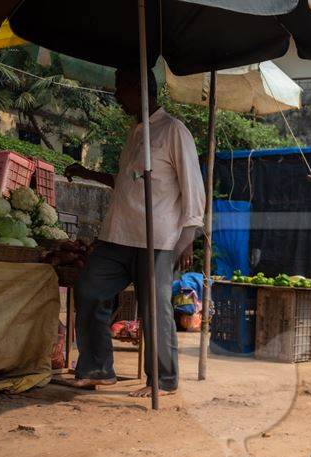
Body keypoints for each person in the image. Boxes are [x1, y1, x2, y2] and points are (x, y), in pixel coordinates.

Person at [65, 66, 205, 396]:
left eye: (120, 88)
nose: (116, 95)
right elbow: (127, 184)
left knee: (156, 309)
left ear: (140, 89)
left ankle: (163, 380)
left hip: (157, 240)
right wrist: (87, 172)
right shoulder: (135, 131)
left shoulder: (174, 131)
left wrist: (187, 240)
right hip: (117, 236)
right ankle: (99, 367)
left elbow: (194, 192)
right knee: (89, 289)